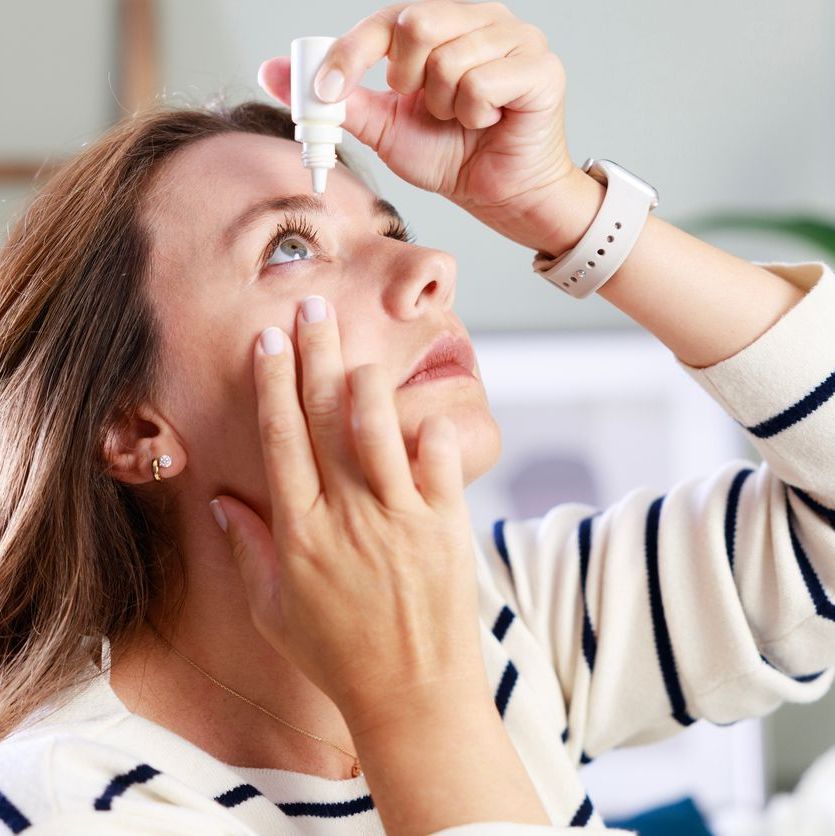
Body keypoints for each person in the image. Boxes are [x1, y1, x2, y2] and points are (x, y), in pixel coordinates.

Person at [0, 1, 833, 834]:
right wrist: (411, 699)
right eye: (289, 246)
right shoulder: (77, 803)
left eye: (391, 227)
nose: (431, 265)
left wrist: (569, 209)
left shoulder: (499, 617)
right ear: (133, 429)